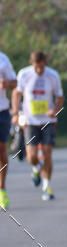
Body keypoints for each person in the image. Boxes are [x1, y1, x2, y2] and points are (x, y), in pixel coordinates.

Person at [12, 51, 64, 201]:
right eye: (37, 67)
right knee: (32, 156)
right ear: (32, 63)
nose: (39, 70)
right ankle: (36, 168)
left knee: (48, 153)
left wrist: (54, 110)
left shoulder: (53, 75)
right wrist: (16, 113)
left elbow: (60, 97)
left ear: (45, 63)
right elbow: (16, 94)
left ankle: (46, 187)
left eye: (42, 67)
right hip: (30, 122)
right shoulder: (24, 74)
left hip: (48, 121)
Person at [0, 50, 17, 210]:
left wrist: (7, 84)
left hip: (2, 111)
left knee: (2, 151)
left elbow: (15, 83)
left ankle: (2, 189)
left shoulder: (3, 59)